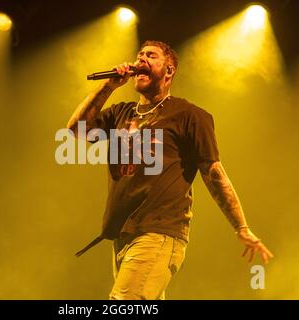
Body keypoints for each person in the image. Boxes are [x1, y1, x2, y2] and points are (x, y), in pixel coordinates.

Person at [66, 40, 273, 300]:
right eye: (139, 55)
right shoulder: (120, 113)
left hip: (158, 232)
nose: (140, 59)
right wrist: (109, 85)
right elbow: (75, 129)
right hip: (122, 235)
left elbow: (214, 173)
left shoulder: (189, 116)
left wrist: (241, 226)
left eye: (150, 55)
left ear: (169, 70)